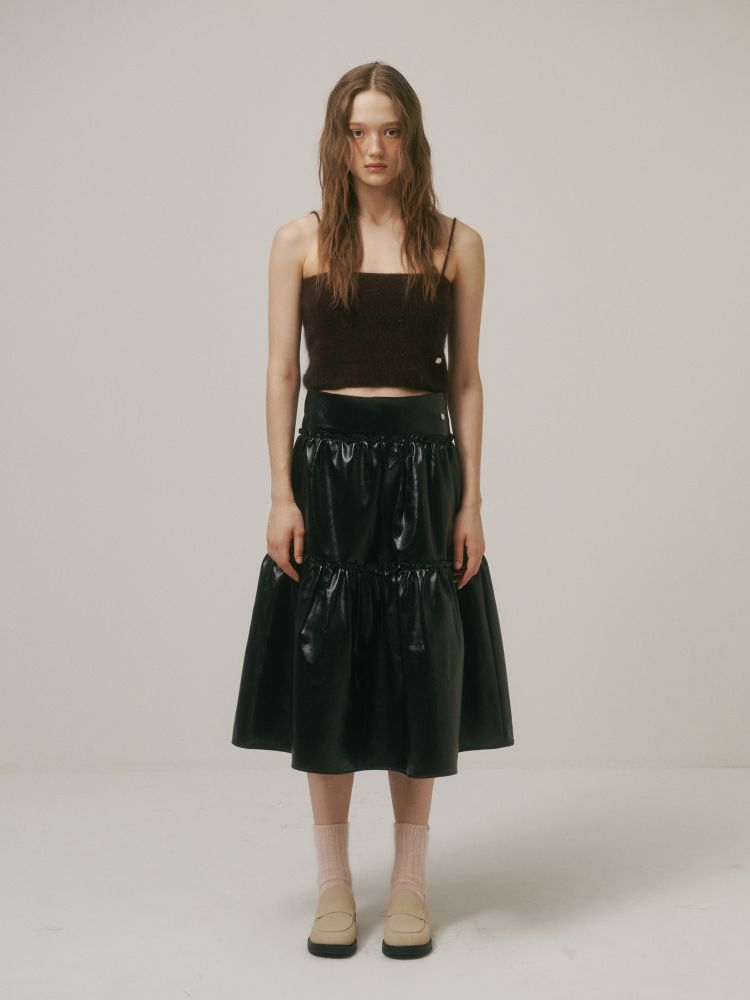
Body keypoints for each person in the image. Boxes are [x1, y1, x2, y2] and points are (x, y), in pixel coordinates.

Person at [231, 61, 514, 959]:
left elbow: (465, 380)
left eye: (390, 129)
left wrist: (472, 499)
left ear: (412, 137)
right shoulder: (300, 242)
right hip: (328, 471)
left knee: (419, 668)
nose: (375, 147)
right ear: (338, 142)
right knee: (327, 666)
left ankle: (409, 887)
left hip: (424, 473)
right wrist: (281, 492)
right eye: (359, 131)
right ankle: (333, 886)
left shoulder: (457, 243)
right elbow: (282, 373)